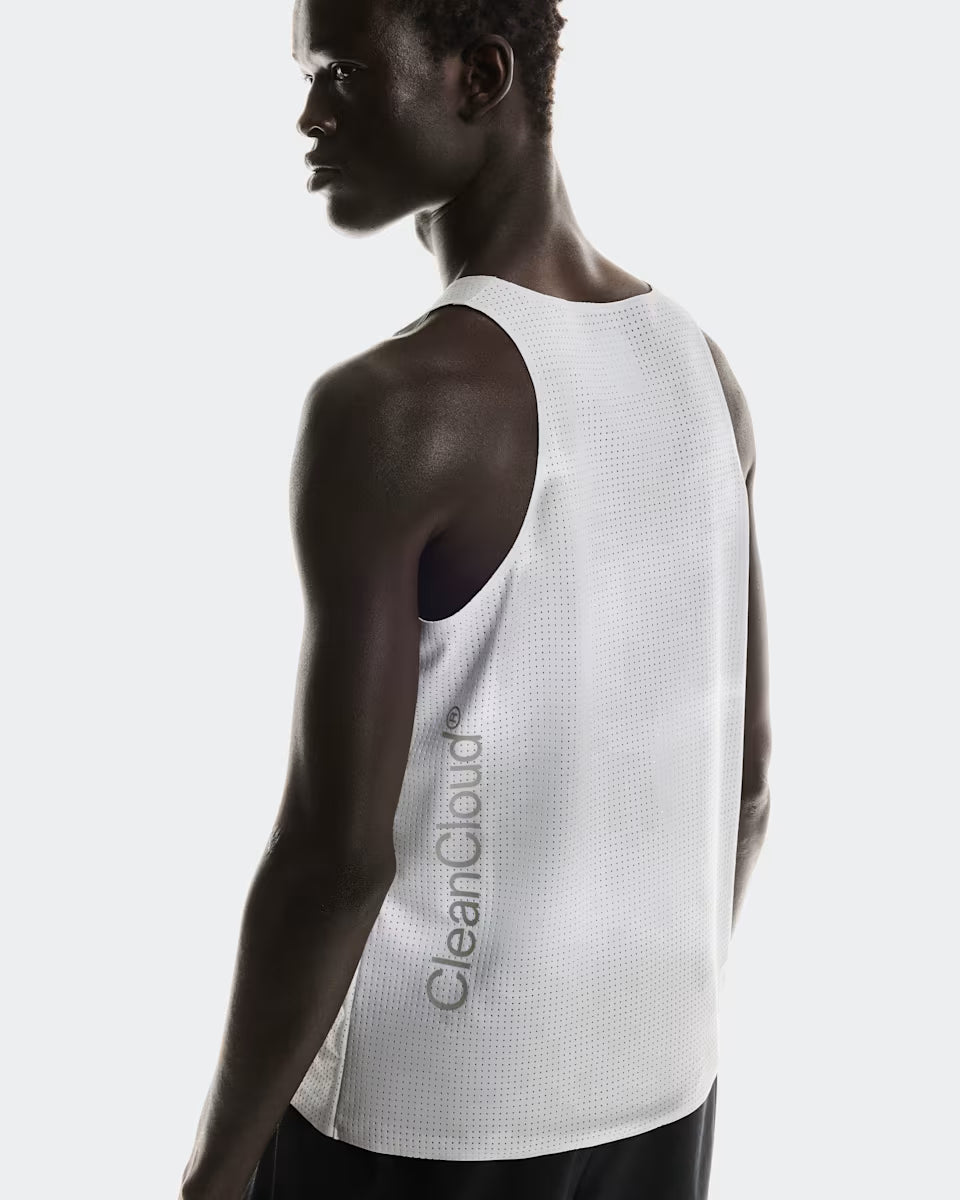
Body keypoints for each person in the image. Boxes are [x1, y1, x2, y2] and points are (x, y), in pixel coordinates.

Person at [178, 1, 772, 1197]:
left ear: (480, 76)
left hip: (423, 1120)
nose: (311, 115)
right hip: (664, 1089)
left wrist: (219, 1167)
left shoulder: (398, 408)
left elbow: (336, 860)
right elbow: (746, 784)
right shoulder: (701, 372)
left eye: (344, 73)